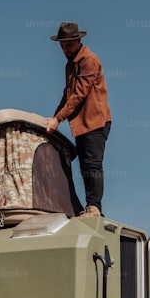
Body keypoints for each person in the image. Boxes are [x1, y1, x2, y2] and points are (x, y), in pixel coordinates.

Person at [45, 21, 112, 218]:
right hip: (82, 124)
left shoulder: (88, 60)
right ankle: (91, 208)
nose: (64, 49)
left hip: (95, 122)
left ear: (77, 40)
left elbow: (79, 94)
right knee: (85, 166)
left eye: (68, 44)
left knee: (92, 164)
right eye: (61, 45)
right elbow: (67, 94)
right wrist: (54, 117)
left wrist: (58, 119)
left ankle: (94, 207)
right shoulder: (71, 64)